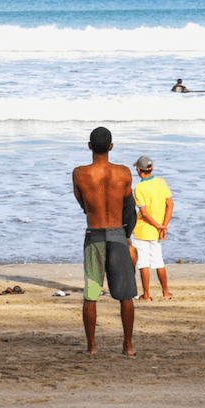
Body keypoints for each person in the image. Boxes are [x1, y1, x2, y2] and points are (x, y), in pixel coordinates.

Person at [72, 126, 137, 356]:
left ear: (89, 146)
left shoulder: (79, 173)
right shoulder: (124, 172)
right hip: (118, 234)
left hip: (95, 235)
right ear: (111, 146)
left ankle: (91, 348)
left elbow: (83, 204)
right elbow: (129, 207)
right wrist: (127, 234)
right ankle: (127, 347)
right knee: (126, 295)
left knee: (91, 294)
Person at [132, 156, 174, 300]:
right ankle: (166, 292)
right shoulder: (162, 182)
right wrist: (164, 226)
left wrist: (158, 225)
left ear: (138, 169)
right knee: (159, 262)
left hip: (143, 230)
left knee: (143, 263)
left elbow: (143, 213)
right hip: (158, 231)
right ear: (152, 168)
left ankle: (147, 294)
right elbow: (170, 204)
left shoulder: (139, 188)